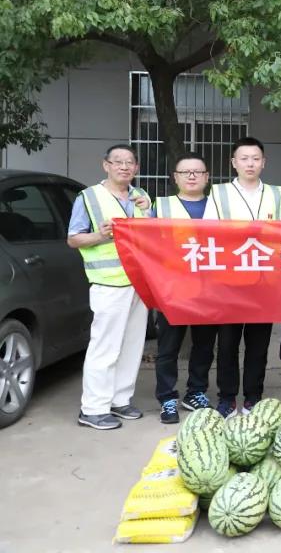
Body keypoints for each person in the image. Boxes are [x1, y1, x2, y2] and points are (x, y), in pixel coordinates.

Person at [67, 144, 152, 430]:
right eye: (118, 162)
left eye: (129, 162)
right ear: (106, 165)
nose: (124, 167)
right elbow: (73, 239)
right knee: (105, 347)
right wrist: (99, 235)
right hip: (108, 283)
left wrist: (150, 212)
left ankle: (120, 400)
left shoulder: (141, 197)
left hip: (138, 282)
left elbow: (152, 235)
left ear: (136, 168)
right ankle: (93, 409)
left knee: (131, 345)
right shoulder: (89, 197)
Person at [203, 136, 281, 418]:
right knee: (227, 343)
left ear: (264, 162)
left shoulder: (276, 193)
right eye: (244, 158)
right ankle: (227, 398)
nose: (250, 163)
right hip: (229, 280)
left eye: (255, 158)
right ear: (234, 162)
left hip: (265, 281)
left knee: (258, 344)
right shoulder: (219, 193)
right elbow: (208, 232)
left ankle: (253, 397)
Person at [152, 152, 216, 424]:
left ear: (207, 177)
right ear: (175, 177)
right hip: (172, 288)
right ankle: (167, 397)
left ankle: (196, 392)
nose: (191, 176)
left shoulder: (219, 207)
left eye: (197, 172)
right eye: (185, 172)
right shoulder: (161, 207)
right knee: (168, 346)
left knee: (204, 345)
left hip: (210, 287)